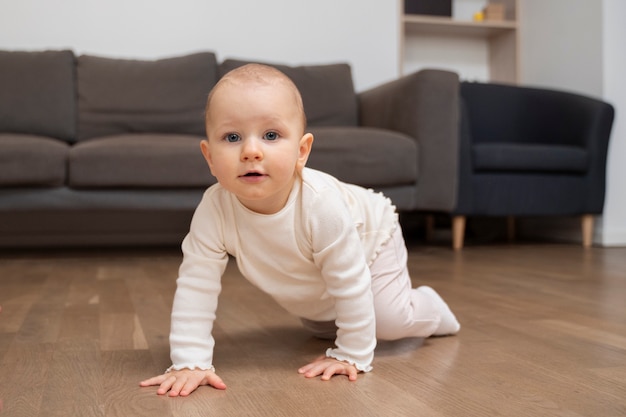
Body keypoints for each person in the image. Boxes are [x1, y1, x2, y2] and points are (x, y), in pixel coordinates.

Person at [140, 64, 460, 397]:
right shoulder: (213, 210)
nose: (251, 151)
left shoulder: (321, 205)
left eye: (271, 135)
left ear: (302, 151)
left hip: (370, 240)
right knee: (323, 328)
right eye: (232, 137)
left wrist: (352, 353)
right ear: (209, 156)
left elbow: (349, 280)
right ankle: (342, 321)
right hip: (316, 272)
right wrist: (191, 360)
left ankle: (430, 308)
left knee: (389, 320)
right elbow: (196, 283)